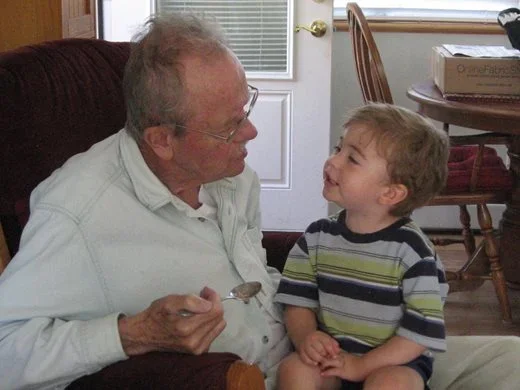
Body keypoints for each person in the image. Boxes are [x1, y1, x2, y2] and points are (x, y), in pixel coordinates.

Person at [0, 12, 519, 390]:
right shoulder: (79, 213)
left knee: (511, 362)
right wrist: (131, 335)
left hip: (332, 345)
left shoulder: (227, 174)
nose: (251, 131)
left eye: (245, 104)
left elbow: (261, 265)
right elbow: (7, 352)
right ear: (162, 139)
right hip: (263, 377)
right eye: (230, 126)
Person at [273, 103, 494, 390]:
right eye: (338, 149)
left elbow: (420, 333)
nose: (333, 161)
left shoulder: (414, 253)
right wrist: (307, 338)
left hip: (395, 362)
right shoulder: (316, 238)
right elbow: (297, 300)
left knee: (390, 383)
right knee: (294, 369)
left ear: (390, 192)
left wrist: (361, 366)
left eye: (352, 159)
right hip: (333, 357)